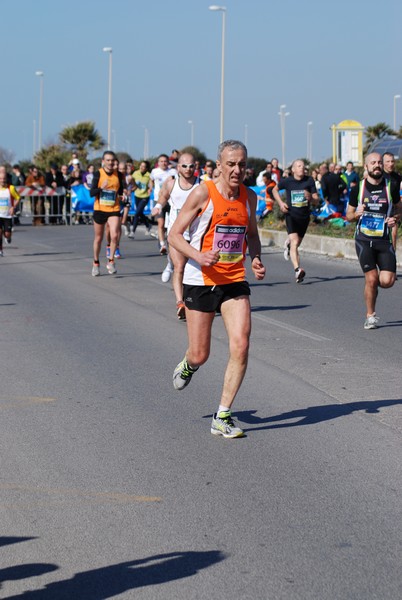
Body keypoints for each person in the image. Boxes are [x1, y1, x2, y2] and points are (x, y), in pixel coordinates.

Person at [168, 140, 265, 438]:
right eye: (231, 164)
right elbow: (174, 235)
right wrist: (198, 256)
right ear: (219, 165)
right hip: (200, 280)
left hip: (234, 279)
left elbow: (252, 234)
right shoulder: (203, 192)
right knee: (201, 354)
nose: (237, 170)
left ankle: (222, 414)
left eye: (242, 164)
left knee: (242, 344)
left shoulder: (249, 196)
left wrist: (256, 258)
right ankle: (188, 363)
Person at [346, 152, 401, 330]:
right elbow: (348, 215)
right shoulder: (358, 189)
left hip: (384, 240)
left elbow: (399, 209)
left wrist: (396, 218)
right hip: (364, 239)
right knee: (371, 279)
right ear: (366, 167)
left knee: (387, 281)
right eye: (373, 163)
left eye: (379, 162)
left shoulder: (391, 186)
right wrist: (356, 214)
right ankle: (370, 315)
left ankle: (373, 286)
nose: (377, 165)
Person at [152, 153, 200, 318]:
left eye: (191, 166)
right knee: (180, 267)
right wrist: (158, 206)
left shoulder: (202, 186)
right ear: (178, 167)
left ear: (196, 167)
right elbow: (163, 197)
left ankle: (192, 299)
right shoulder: (172, 184)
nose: (188, 169)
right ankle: (180, 303)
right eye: (184, 166)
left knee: (193, 269)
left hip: (196, 234)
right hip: (176, 234)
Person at [276, 159, 319, 283]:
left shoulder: (309, 180)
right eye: (299, 166)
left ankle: (289, 246)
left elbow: (316, 199)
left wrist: (311, 197)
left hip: (304, 217)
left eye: (303, 166)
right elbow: (274, 190)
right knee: (295, 241)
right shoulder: (287, 181)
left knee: (296, 244)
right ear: (293, 169)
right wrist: (281, 203)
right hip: (291, 216)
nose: (302, 168)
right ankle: (297, 270)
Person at [89, 150, 125, 276]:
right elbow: (91, 192)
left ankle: (111, 261)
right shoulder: (98, 174)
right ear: (103, 161)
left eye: (112, 160)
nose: (110, 162)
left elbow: (120, 191)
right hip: (100, 209)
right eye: (108, 160)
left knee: (115, 235)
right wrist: (101, 188)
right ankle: (96, 262)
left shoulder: (119, 175)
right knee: (98, 238)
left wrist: (122, 196)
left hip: (113, 209)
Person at [149, 154, 177, 255]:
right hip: (159, 200)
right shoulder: (154, 172)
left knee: (170, 225)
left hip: (171, 201)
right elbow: (151, 180)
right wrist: (150, 188)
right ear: (158, 162)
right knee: (161, 223)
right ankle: (162, 245)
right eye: (161, 161)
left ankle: (166, 241)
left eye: (165, 161)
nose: (163, 163)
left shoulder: (173, 172)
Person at [130, 160, 155, 239]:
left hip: (145, 196)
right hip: (137, 195)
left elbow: (151, 183)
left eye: (144, 166)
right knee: (140, 213)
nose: (142, 167)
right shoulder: (135, 173)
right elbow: (132, 182)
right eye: (141, 166)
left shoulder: (149, 175)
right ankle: (148, 225)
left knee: (137, 213)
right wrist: (132, 187)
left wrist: (150, 188)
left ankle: (132, 232)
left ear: (147, 168)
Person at [382, 152, 402, 251]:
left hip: (393, 209)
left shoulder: (397, 177)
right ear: (383, 163)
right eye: (388, 161)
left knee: (393, 233)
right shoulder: (379, 176)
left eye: (392, 161)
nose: (391, 164)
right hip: (380, 209)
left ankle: (392, 255)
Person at [0, 166, 20, 254]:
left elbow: (18, 198)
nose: (2, 180)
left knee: (7, 234)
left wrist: (13, 207)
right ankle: (1, 250)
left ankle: (8, 237)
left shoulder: (11, 188)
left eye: (4, 178)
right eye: (0, 178)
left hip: (7, 215)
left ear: (6, 179)